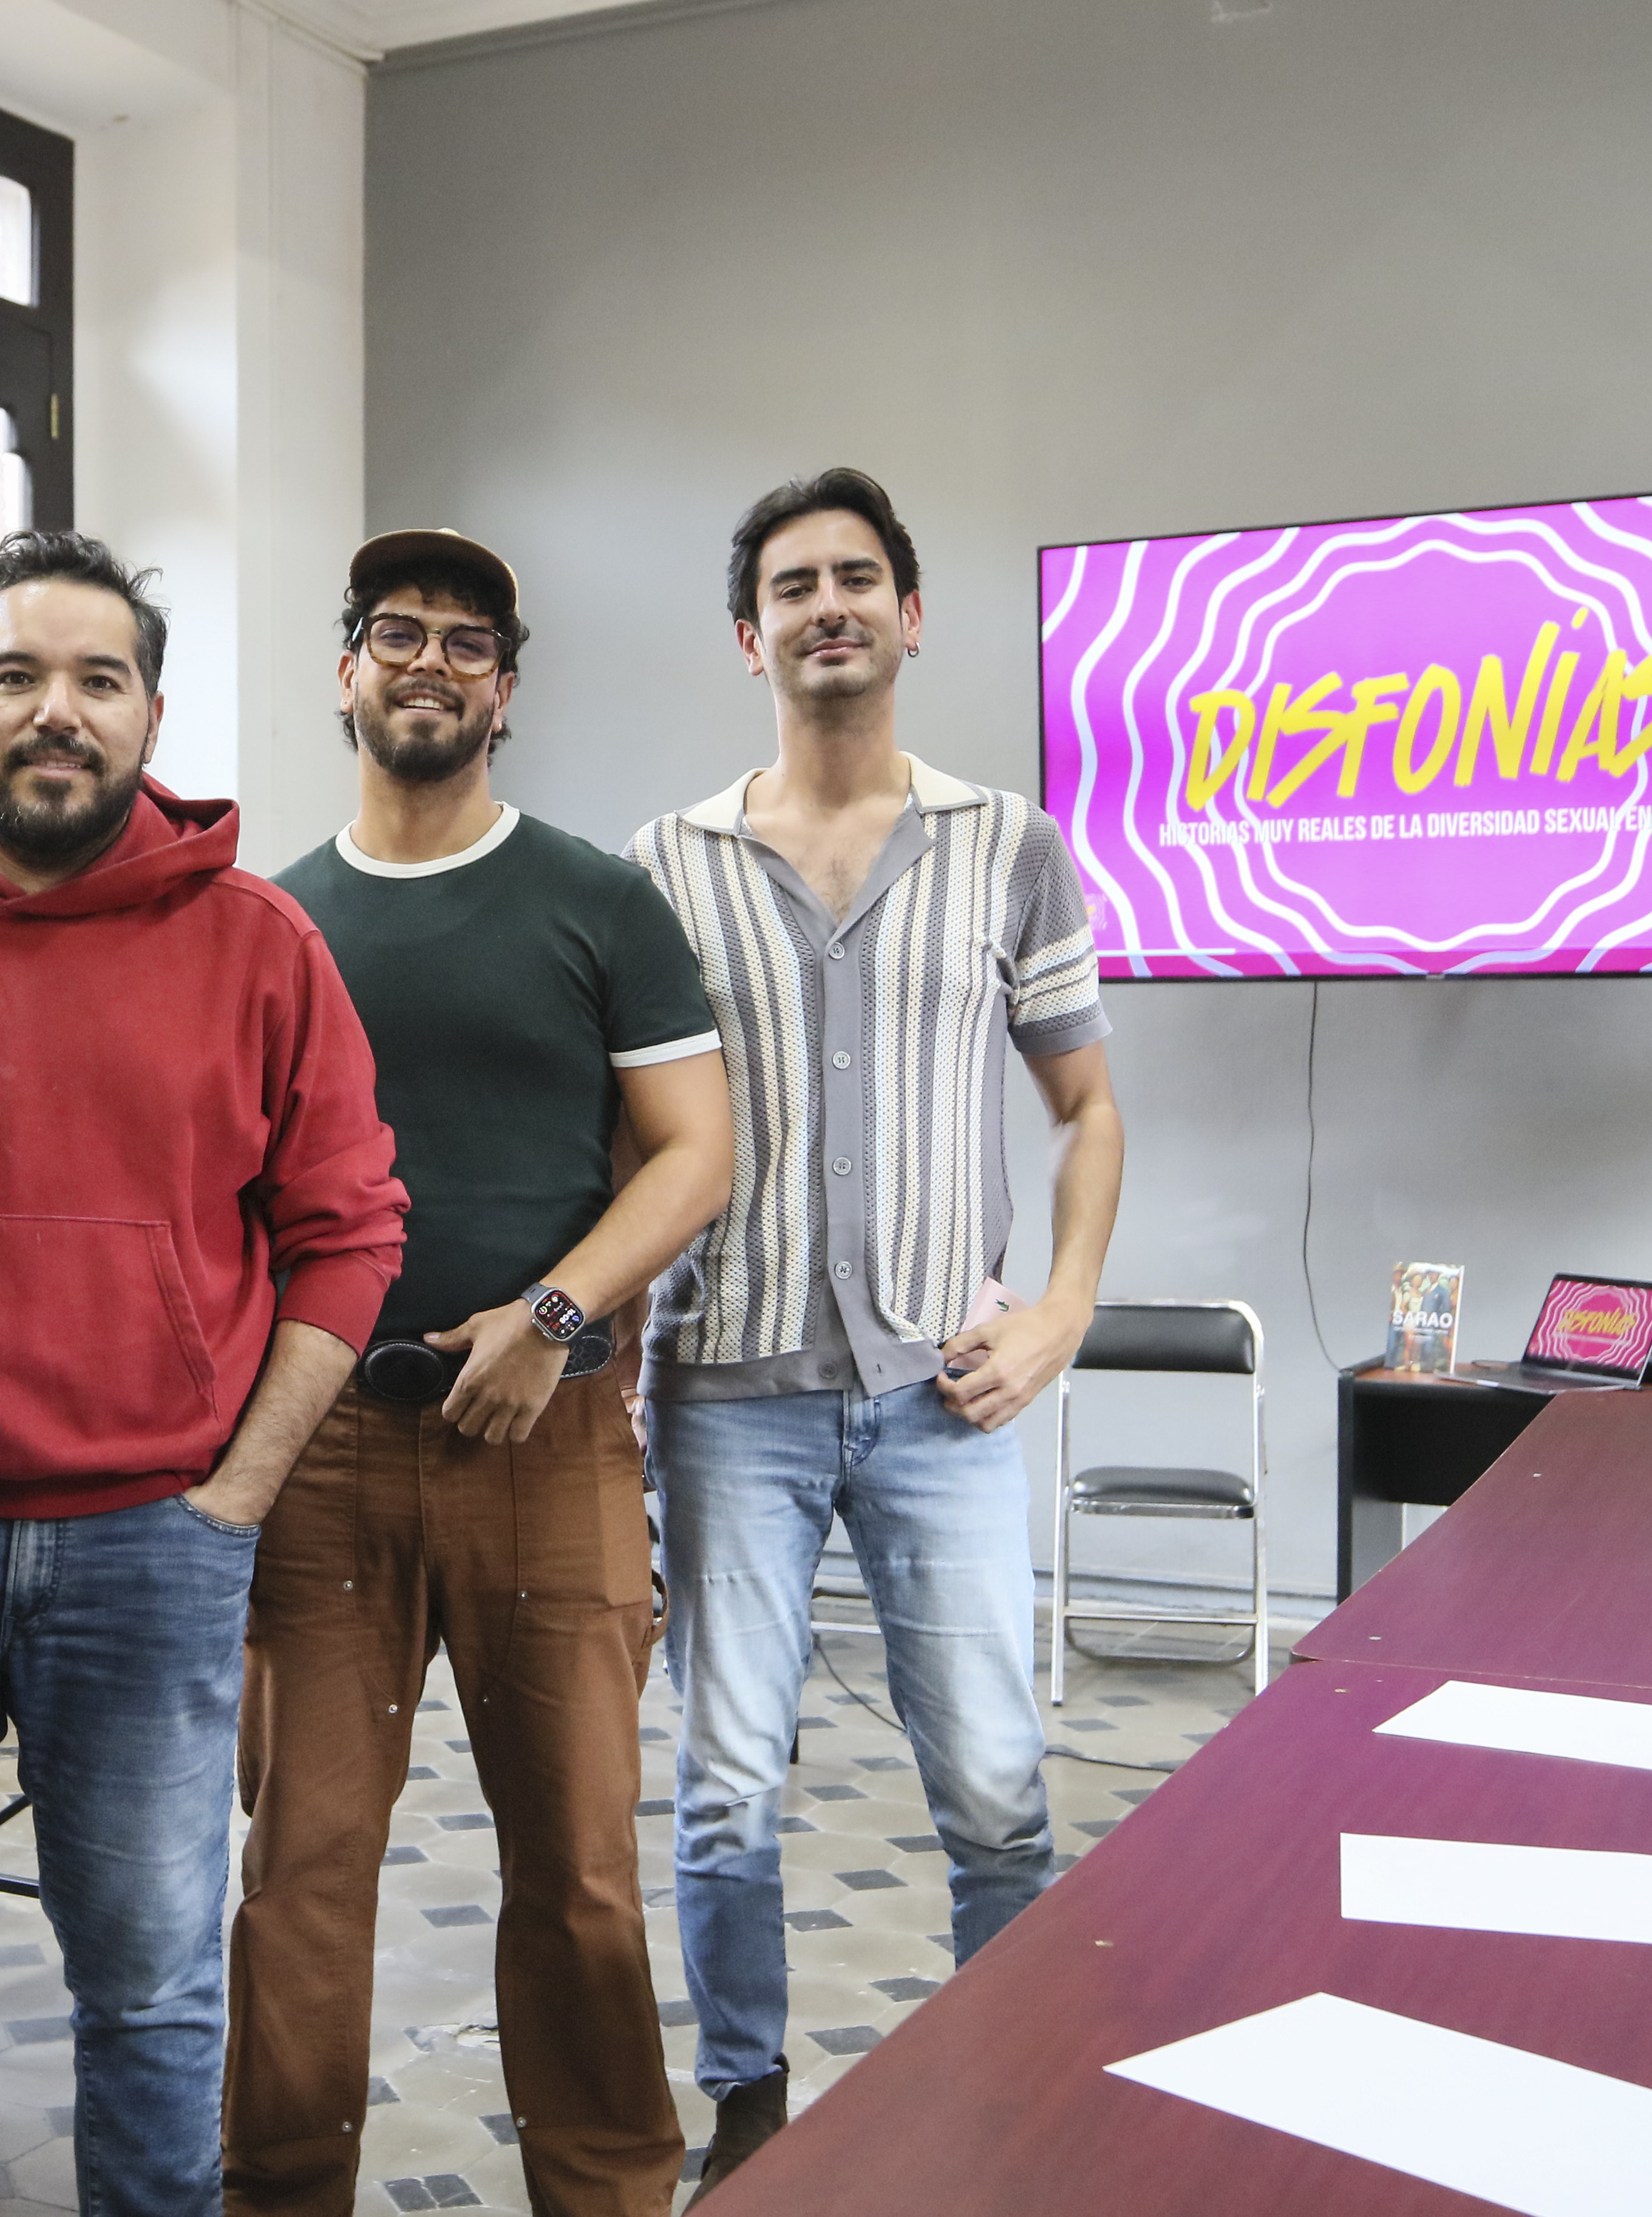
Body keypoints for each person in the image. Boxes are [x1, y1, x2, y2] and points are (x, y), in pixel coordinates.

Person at [0, 528, 407, 2217]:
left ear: (150, 716)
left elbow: (349, 1234)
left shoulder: (261, 942)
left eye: (99, 680)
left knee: (156, 1995)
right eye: (19, 674)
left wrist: (234, 1494)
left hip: (151, 1543)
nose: (58, 710)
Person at [626, 469, 1124, 2201]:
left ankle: (1014, 2096)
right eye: (792, 584)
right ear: (747, 635)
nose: (825, 604)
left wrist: (1061, 1312)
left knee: (995, 1790)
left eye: (856, 578)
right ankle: (748, 2112)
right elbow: (630, 1139)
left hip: (945, 1400)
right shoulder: (667, 866)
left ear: (911, 617)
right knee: (721, 1791)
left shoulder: (1010, 846)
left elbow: (1087, 1109)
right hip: (725, 1398)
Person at [225, 530, 732, 2217]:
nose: (429, 662)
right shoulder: (272, 922)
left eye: (466, 641)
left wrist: (554, 1318)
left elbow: (697, 1153)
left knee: (580, 1871)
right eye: (397, 633)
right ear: (346, 669)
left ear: (505, 689)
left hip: (549, 1444)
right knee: (301, 1872)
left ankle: (608, 2193)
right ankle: (278, 2192)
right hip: (324, 1456)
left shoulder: (599, 902)